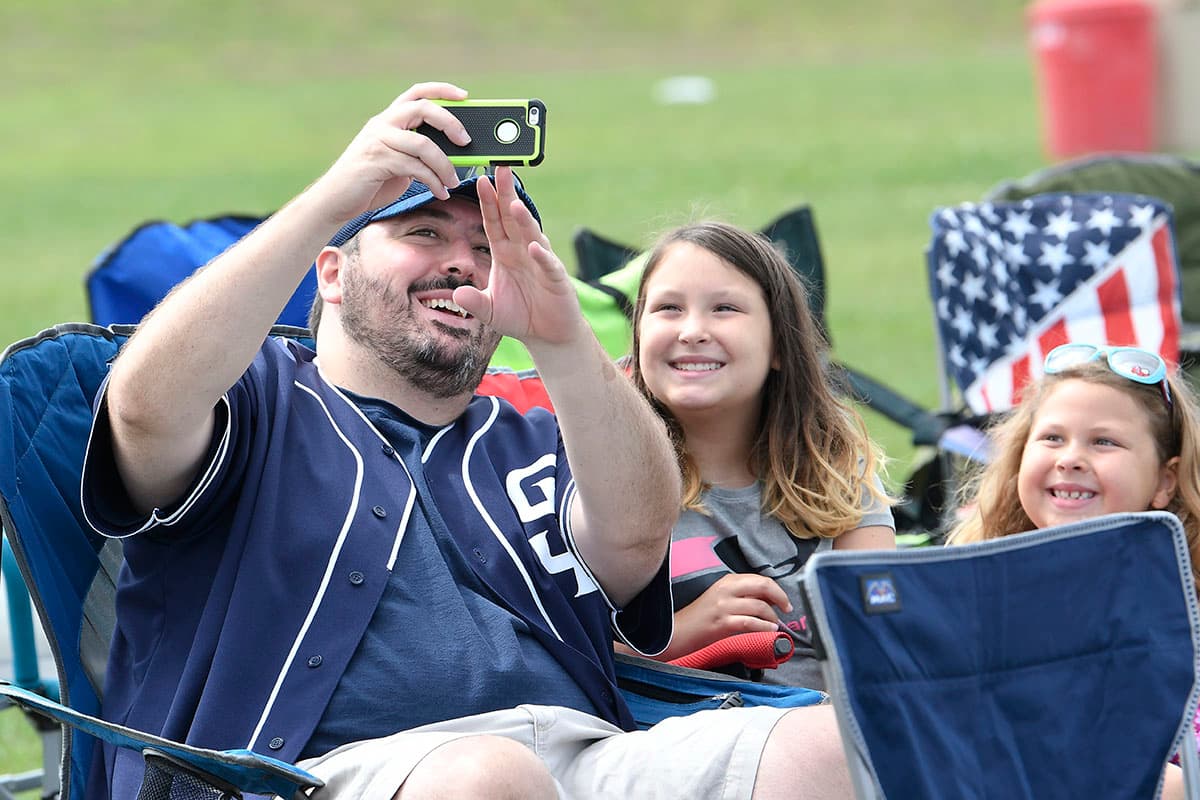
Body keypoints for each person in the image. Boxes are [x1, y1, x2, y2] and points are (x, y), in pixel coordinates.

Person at [78, 82, 852, 800]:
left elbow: (637, 537)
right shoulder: (251, 403)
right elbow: (143, 410)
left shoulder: (536, 434)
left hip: (582, 757)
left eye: (488, 249)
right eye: (423, 232)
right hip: (306, 773)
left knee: (834, 743)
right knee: (489, 779)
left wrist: (559, 331)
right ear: (334, 274)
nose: (462, 264)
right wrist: (332, 199)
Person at [624, 221, 896, 689]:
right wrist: (686, 632)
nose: (692, 331)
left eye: (724, 308)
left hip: (828, 729)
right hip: (670, 735)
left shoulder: (836, 464)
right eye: (668, 308)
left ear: (779, 346)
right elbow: (566, 651)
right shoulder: (604, 475)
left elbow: (881, 625)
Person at [947, 342, 1200, 799]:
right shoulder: (975, 595)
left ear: (1165, 481)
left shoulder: (1185, 608)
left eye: (1104, 441)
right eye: (1052, 438)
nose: (1070, 458)